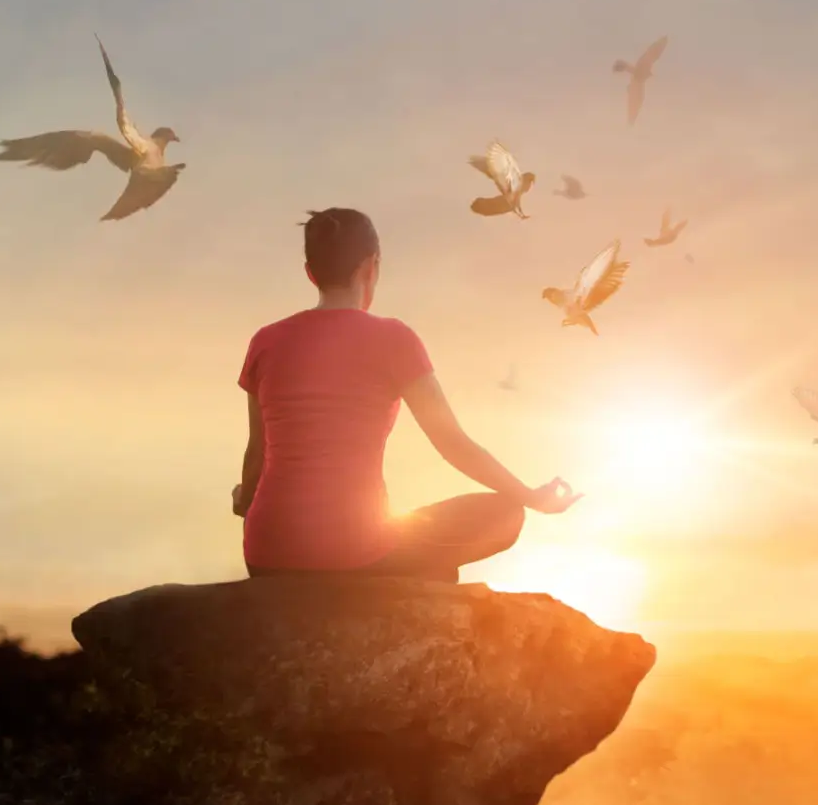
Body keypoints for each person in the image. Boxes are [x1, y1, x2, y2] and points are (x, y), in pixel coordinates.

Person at [231, 207, 581, 581]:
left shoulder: (265, 341)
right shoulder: (394, 338)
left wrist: (245, 499)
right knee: (506, 514)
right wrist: (531, 496)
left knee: (402, 532)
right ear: (371, 267)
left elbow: (257, 453)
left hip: (267, 555)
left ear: (310, 273)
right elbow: (453, 444)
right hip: (355, 554)